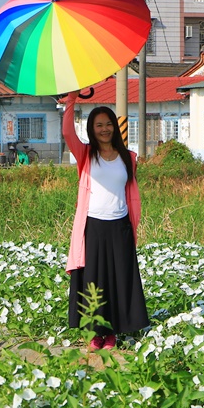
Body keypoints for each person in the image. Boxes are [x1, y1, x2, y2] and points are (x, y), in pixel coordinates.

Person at [62, 92, 149, 351]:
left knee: (118, 280)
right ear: (92, 129)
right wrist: (71, 99)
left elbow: (130, 194)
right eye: (98, 125)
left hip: (120, 226)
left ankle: (111, 334)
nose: (104, 129)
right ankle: (94, 334)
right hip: (94, 227)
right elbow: (68, 133)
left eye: (108, 124)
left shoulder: (128, 158)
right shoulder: (86, 154)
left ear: (116, 126)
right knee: (94, 281)